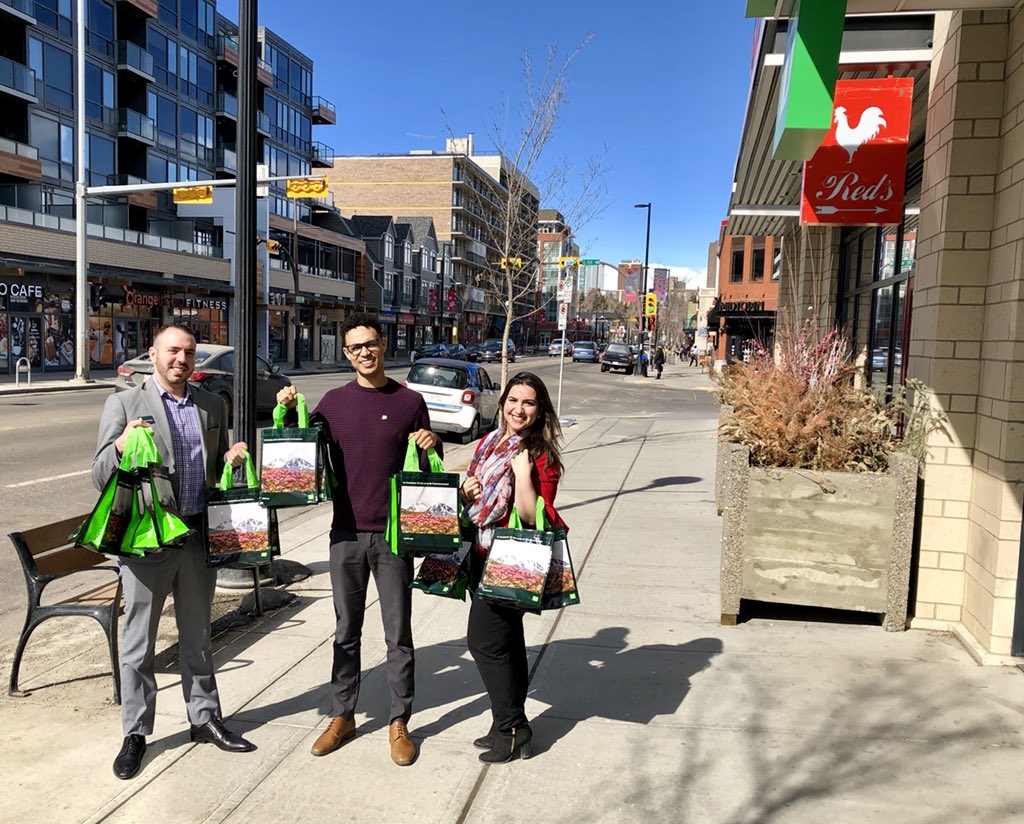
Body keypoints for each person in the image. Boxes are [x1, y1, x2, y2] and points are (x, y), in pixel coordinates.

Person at [275, 312, 440, 767]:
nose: (365, 352)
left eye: (371, 343)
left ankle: (399, 720)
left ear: (382, 345)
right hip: (345, 534)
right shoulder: (332, 402)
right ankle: (342, 714)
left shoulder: (409, 402)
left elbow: (426, 469)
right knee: (346, 633)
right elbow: (301, 450)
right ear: (346, 354)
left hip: (391, 537)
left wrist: (432, 443)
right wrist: (289, 411)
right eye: (355, 347)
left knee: (397, 635)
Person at [91, 325, 253, 781]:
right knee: (138, 643)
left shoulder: (210, 404)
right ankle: (136, 733)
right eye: (173, 351)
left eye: (188, 352)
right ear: (154, 354)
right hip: (147, 545)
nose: (181, 359)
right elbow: (99, 474)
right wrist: (121, 446)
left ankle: (203, 717)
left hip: (198, 538)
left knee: (198, 637)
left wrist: (232, 461)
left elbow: (217, 470)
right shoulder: (123, 404)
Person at [460, 372, 565, 764]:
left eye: (529, 403)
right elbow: (478, 491)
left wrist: (523, 476)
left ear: (540, 412)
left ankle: (513, 727)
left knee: (484, 643)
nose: (519, 409)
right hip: (481, 553)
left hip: (511, 561)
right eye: (513, 400)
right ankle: (503, 722)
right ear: (503, 402)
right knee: (507, 643)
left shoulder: (540, 456)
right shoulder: (491, 442)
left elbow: (531, 514)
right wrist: (467, 489)